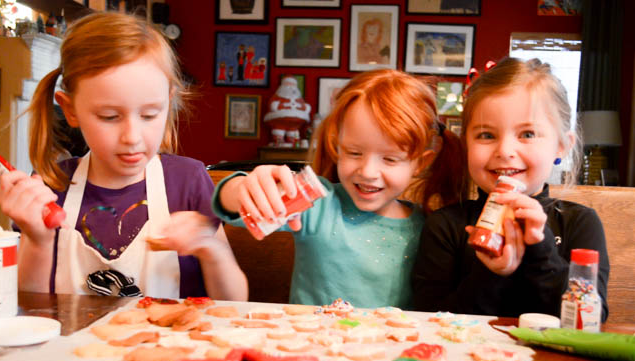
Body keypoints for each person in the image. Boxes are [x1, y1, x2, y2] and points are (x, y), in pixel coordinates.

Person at [0, 12, 247, 300]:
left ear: (169, 101)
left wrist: (211, 249)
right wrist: (38, 241)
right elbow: (32, 310)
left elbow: (234, 304)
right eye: (110, 116)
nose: (132, 136)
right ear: (70, 110)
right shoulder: (51, 188)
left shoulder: (188, 181)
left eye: (149, 115)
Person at [212, 69, 467, 308]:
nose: (367, 172)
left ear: (420, 163)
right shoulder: (317, 203)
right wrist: (242, 188)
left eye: (390, 159)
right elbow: (235, 210)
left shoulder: (430, 230)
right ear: (337, 146)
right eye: (354, 152)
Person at [412, 57, 609, 320]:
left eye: (527, 134)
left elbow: (588, 317)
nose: (504, 151)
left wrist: (540, 248)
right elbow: (428, 319)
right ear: (466, 144)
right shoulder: (445, 226)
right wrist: (490, 273)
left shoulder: (580, 223)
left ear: (561, 145)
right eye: (486, 135)